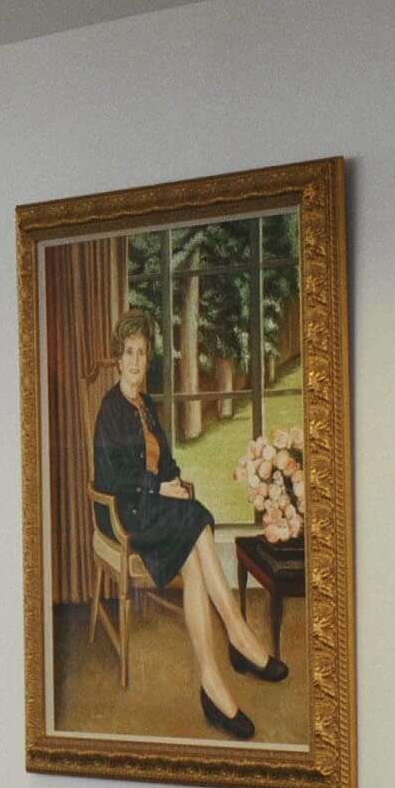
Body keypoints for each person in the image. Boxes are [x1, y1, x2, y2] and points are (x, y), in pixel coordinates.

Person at [89, 313, 284, 737]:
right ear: (118, 360)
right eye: (129, 353)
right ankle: (237, 633)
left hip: (154, 507)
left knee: (195, 562)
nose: (136, 361)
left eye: (142, 353)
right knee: (196, 520)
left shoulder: (147, 403)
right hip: (127, 514)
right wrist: (160, 491)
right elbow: (113, 477)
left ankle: (212, 685)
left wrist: (172, 480)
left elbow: (165, 461)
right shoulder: (111, 409)